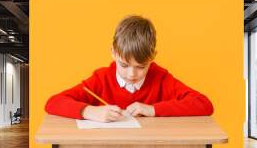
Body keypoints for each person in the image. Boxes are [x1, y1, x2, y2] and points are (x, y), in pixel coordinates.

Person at [45, 15, 214, 122]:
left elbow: (204, 105)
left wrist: (153, 109)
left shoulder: (161, 78)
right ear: (113, 52)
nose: (131, 74)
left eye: (141, 67)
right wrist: (89, 111)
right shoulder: (101, 78)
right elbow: (53, 102)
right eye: (124, 65)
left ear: (153, 57)